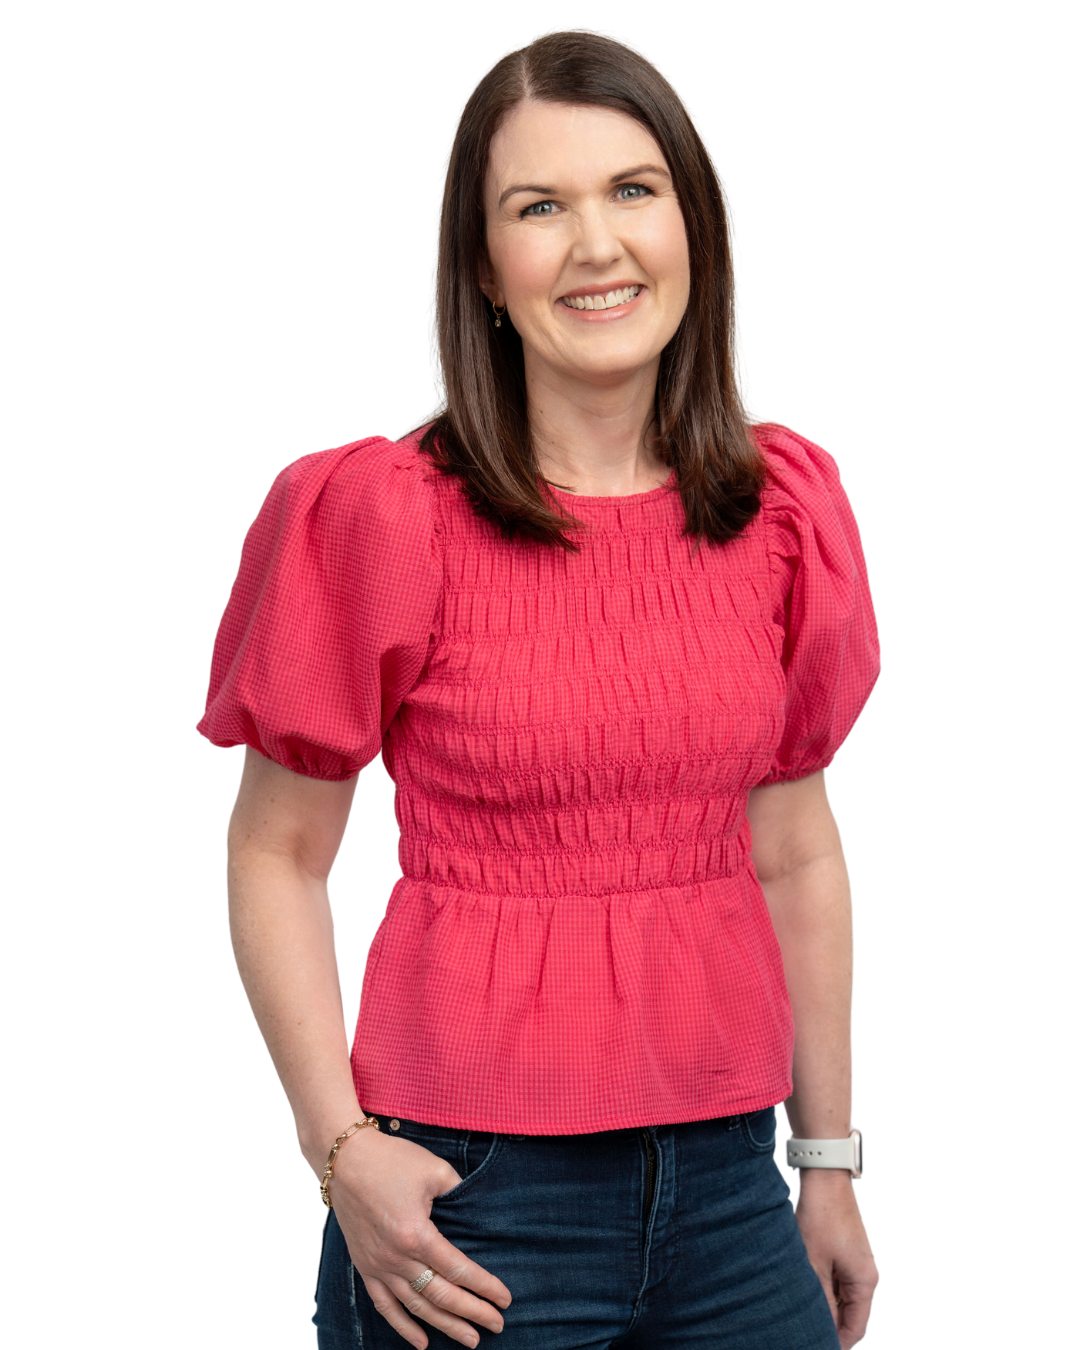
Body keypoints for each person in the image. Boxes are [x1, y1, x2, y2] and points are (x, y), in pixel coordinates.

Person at [198, 25, 882, 1350]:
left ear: (697, 228)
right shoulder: (379, 514)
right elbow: (275, 849)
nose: (597, 244)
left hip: (737, 1194)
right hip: (468, 1204)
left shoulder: (786, 508)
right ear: (484, 266)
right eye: (540, 206)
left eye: (634, 190)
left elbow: (798, 854)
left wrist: (827, 1158)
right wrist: (340, 1150)